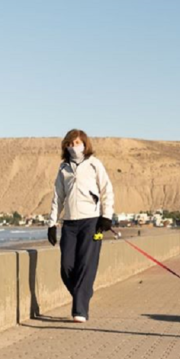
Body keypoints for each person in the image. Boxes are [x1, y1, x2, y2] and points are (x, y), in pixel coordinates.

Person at [47, 129, 114, 323]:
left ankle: (80, 310)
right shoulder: (63, 168)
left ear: (84, 144)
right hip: (69, 223)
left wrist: (106, 216)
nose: (73, 147)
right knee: (66, 266)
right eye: (69, 144)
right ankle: (84, 293)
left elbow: (106, 190)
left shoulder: (94, 164)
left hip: (91, 221)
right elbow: (58, 197)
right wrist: (52, 224)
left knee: (86, 264)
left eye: (76, 143)